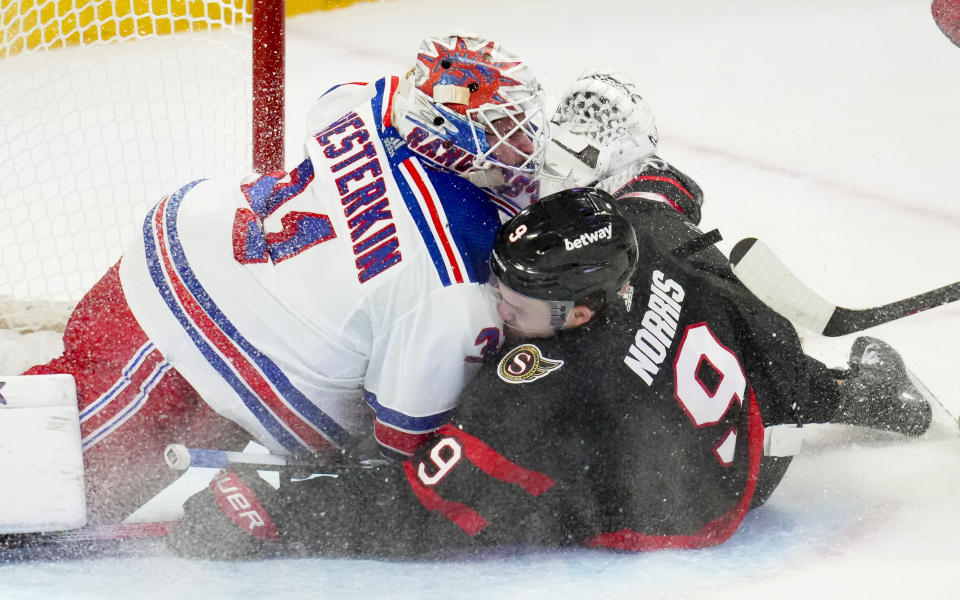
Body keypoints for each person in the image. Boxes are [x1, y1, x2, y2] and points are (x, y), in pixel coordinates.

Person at [166, 187, 933, 559]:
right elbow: (727, 287)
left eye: (522, 298)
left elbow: (434, 511)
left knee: (516, 486)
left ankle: (842, 392)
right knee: (726, 299)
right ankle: (856, 391)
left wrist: (281, 515)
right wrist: (822, 386)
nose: (497, 300)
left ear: (583, 311)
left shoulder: (541, 391)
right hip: (753, 423)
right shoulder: (647, 244)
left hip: (703, 503)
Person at [18, 33, 551, 523]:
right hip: (184, 334)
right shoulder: (449, 281)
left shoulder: (372, 101)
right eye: (506, 132)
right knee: (38, 488)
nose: (525, 147)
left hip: (193, 248)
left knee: (63, 459)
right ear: (448, 134)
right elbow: (398, 446)